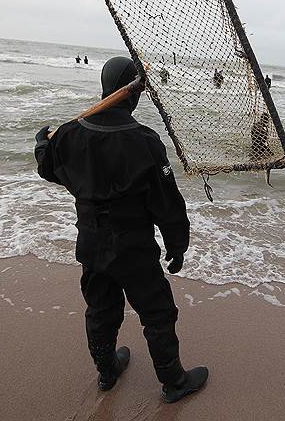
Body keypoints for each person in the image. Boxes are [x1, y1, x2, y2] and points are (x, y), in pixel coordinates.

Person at [34, 56, 208, 403]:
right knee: (157, 311)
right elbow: (166, 202)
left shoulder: (71, 133)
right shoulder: (144, 141)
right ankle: (174, 382)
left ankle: (107, 371)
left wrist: (42, 142)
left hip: (91, 243)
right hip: (133, 247)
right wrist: (178, 244)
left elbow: (48, 168)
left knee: (100, 308)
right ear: (134, 93)